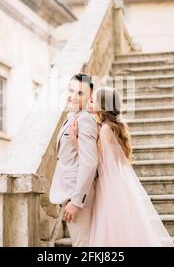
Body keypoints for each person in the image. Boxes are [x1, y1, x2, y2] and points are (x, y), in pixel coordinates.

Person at [70, 87, 174, 247]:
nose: (91, 102)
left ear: (103, 105)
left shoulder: (105, 130)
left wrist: (75, 142)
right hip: (117, 183)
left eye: (95, 100)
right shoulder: (112, 127)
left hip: (108, 186)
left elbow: (95, 162)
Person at [49, 73, 99, 247]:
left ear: (90, 97)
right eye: (71, 90)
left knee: (82, 246)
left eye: (80, 93)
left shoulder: (85, 119)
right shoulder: (73, 116)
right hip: (71, 193)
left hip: (77, 197)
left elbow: (90, 162)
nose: (73, 96)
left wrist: (77, 201)